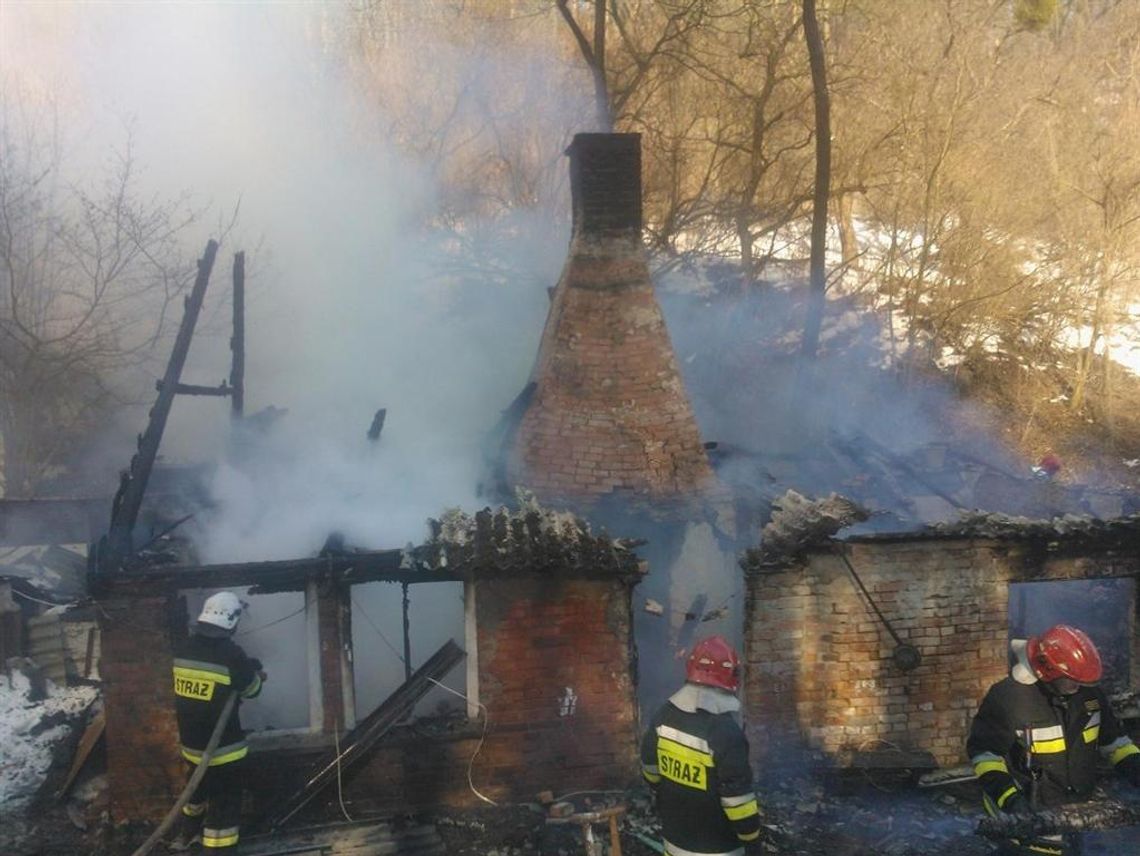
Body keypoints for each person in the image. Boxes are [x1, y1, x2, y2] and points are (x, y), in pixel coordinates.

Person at [966, 624, 1140, 856]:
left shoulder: (1089, 696)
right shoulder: (1008, 698)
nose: (1078, 686)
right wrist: (1012, 801)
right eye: (1071, 679)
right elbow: (985, 756)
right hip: (1024, 818)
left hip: (1074, 816)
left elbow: (1117, 744)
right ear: (1048, 670)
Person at [640, 635, 763, 856]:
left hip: (674, 842)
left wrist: (671, 792)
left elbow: (650, 771)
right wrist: (752, 840)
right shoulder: (726, 732)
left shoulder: (663, 716)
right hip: (718, 849)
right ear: (730, 676)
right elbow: (738, 802)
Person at [170, 591, 266, 852]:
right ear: (231, 621)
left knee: (197, 789)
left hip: (191, 745)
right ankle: (217, 849)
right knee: (224, 804)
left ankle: (186, 834)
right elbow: (252, 690)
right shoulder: (231, 654)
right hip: (224, 749)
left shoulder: (183, 648)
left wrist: (243, 667)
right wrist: (252, 671)